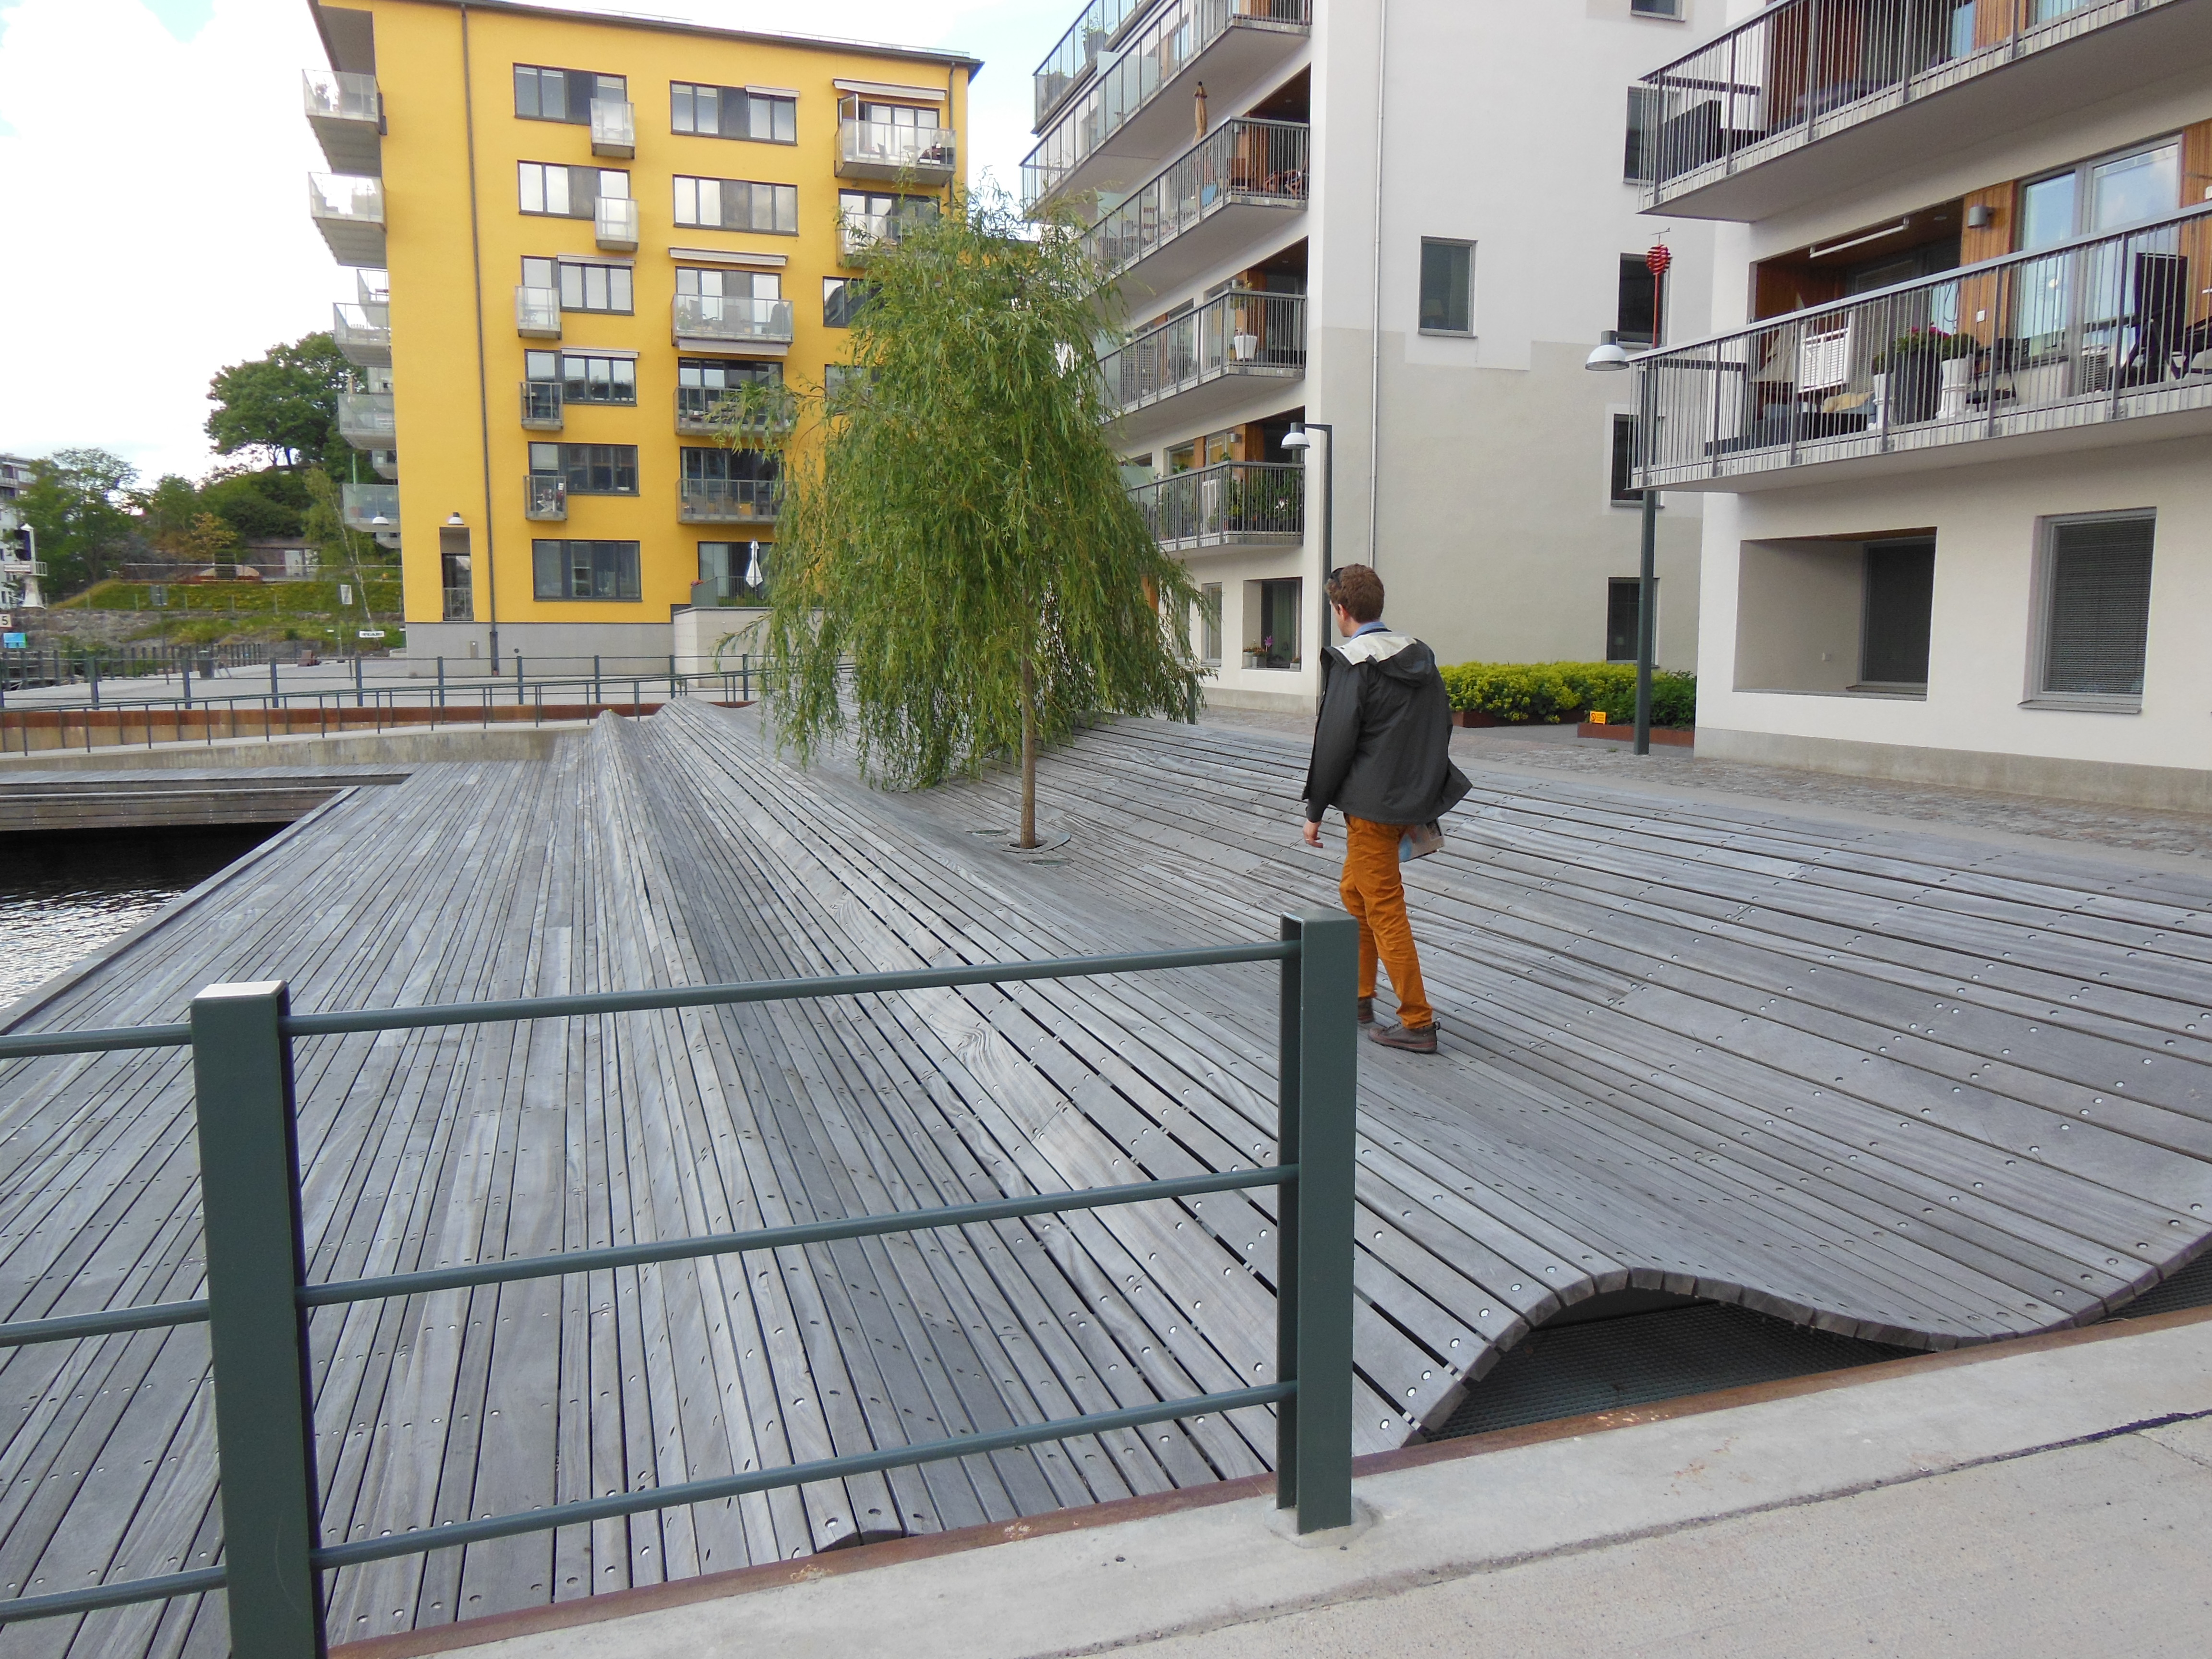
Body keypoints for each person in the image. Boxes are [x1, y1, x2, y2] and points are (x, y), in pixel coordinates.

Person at [1300, 564, 1470, 1053]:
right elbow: (1441, 727)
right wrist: (1421, 791)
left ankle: (1417, 1021)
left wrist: (1315, 810)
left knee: (1385, 909)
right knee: (1354, 892)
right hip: (1407, 801)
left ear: (1341, 610)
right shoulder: (1419, 656)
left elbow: (1334, 742)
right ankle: (1359, 997)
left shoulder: (1353, 663)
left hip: (1371, 808)